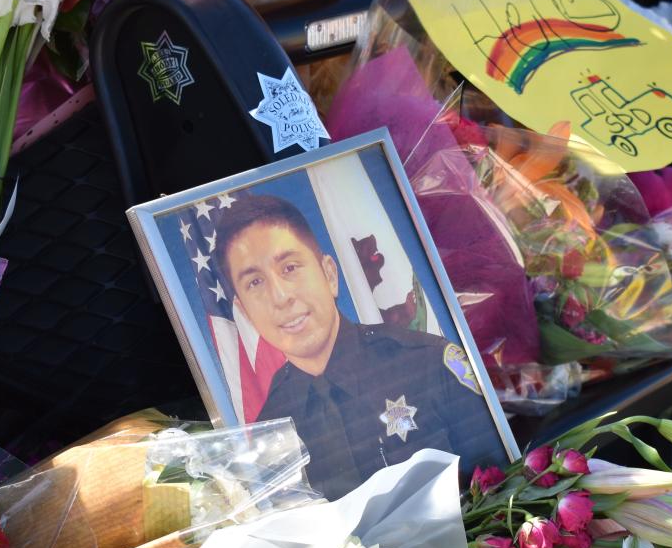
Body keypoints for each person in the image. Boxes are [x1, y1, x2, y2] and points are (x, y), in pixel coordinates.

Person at [216, 194, 507, 498]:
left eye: (289, 268)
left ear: (329, 274)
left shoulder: (428, 364)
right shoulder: (271, 430)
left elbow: (503, 488)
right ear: (245, 313)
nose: (280, 297)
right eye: (255, 283)